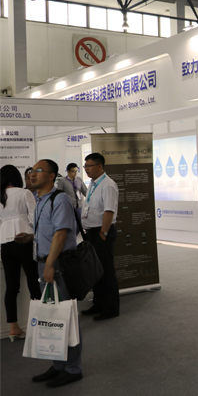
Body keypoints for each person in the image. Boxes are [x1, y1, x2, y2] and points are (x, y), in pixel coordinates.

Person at [29, 159, 83, 387]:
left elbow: (61, 234)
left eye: (38, 170)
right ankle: (59, 365)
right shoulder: (40, 200)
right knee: (52, 318)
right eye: (32, 171)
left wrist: (50, 265)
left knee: (66, 317)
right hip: (44, 264)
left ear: (51, 176)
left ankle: (73, 368)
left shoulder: (59, 199)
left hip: (57, 265)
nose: (32, 174)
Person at [0, 165, 42, 341]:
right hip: (25, 239)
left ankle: (13, 328)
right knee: (34, 283)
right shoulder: (25, 193)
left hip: (5, 243)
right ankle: (38, 324)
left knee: (11, 287)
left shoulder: (1, 195)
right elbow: (34, 218)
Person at [80, 153, 120, 320]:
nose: (86, 169)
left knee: (106, 271)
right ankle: (98, 304)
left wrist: (103, 232)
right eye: (85, 166)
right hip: (91, 233)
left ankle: (111, 308)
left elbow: (109, 211)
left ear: (99, 166)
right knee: (95, 271)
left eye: (89, 166)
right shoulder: (93, 183)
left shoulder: (108, 185)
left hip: (101, 233)